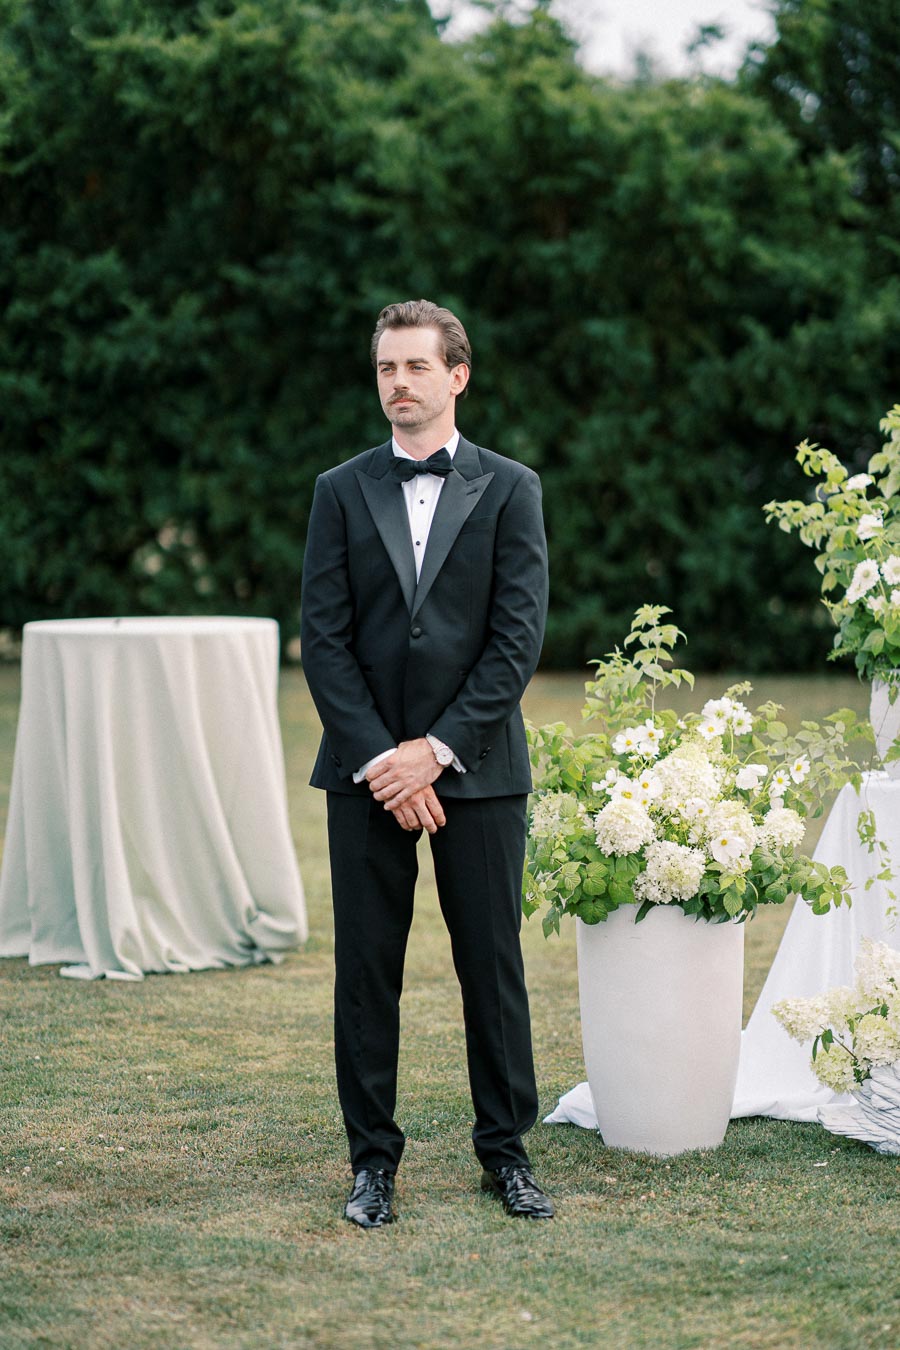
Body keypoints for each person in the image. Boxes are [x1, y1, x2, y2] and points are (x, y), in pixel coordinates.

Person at [300, 299, 553, 1227]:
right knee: (366, 971)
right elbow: (323, 641)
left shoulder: (512, 488)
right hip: (364, 773)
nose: (398, 382)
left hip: (477, 769)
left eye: (416, 366)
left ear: (457, 375)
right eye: (386, 368)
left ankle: (507, 1155)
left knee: (492, 966)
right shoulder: (339, 489)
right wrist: (383, 759)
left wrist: (434, 753)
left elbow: (516, 639)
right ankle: (372, 1163)